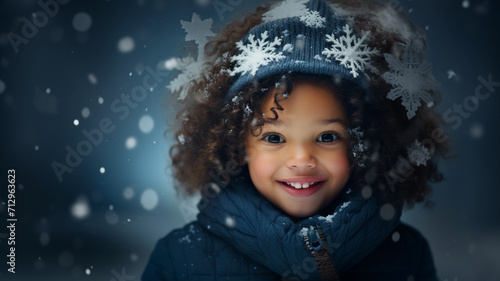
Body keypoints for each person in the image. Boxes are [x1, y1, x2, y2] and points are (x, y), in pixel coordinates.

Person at [143, 0, 451, 280]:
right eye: (274, 137)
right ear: (236, 146)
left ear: (364, 143)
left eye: (327, 136)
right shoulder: (180, 259)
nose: (302, 159)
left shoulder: (407, 256)